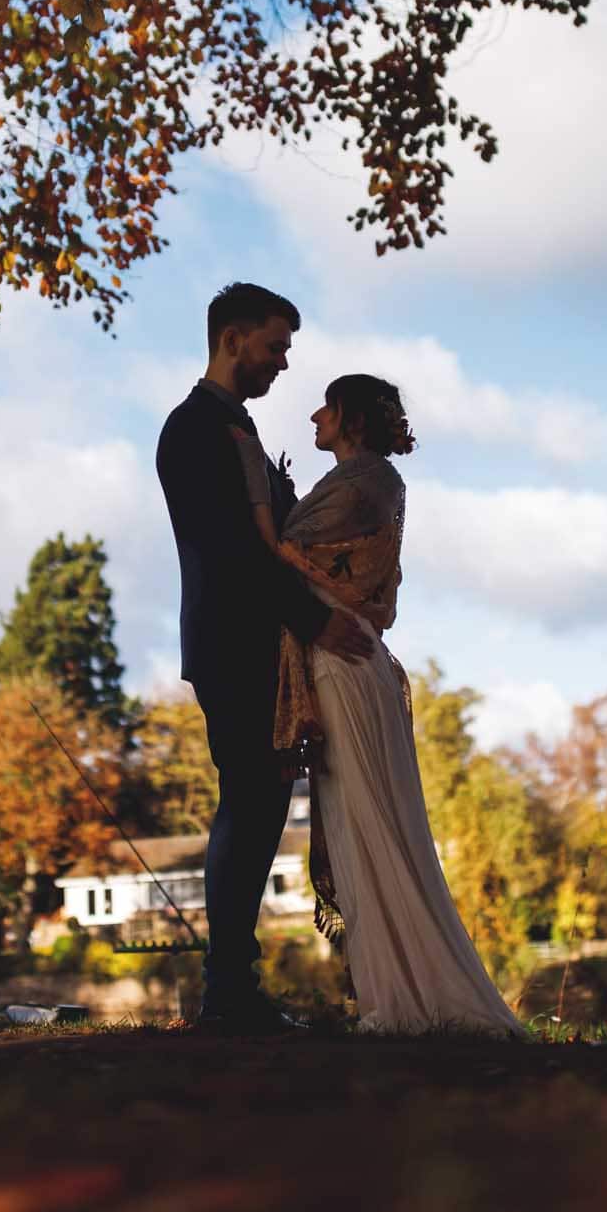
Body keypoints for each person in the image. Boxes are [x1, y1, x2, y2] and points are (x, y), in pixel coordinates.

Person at [252, 373, 523, 1037]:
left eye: (326, 405)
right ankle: (390, 995)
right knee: (355, 825)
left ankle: (415, 997)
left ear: (349, 416)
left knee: (373, 823)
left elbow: (284, 547)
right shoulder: (363, 482)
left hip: (344, 662)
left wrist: (261, 505)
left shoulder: (366, 483)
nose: (314, 415)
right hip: (342, 659)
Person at [156, 283, 374, 1032]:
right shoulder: (193, 430)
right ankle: (228, 994)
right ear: (233, 339)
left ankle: (234, 990)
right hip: (231, 641)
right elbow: (230, 552)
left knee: (259, 807)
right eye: (275, 346)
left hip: (263, 644)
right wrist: (314, 620)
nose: (283, 362)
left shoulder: (233, 428)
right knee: (248, 805)